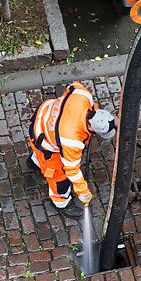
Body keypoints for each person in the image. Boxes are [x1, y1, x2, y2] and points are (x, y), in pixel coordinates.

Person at [27, 81, 116, 218]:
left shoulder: (84, 95)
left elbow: (72, 86)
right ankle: (61, 202)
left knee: (44, 154)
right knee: (59, 176)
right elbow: (72, 170)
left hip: (44, 112)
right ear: (91, 128)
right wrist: (82, 191)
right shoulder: (71, 140)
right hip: (42, 138)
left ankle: (35, 161)